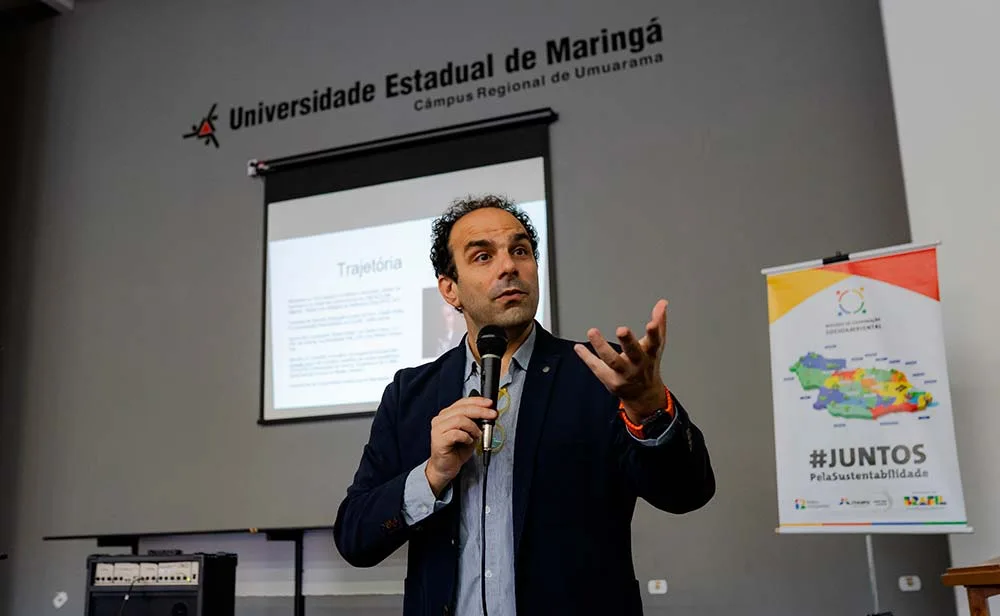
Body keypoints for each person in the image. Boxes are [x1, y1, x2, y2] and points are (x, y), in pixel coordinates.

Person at [334, 195, 715, 616]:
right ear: (450, 290)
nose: (509, 266)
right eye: (483, 256)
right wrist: (432, 476)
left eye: (520, 251)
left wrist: (649, 409)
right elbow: (355, 538)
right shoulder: (410, 394)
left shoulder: (600, 375)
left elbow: (687, 493)